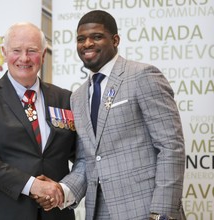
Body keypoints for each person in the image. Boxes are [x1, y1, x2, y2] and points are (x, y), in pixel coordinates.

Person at [38, 10, 186, 220]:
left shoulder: (142, 76)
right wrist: (62, 190)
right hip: (98, 213)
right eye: (81, 39)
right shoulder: (78, 97)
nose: (87, 43)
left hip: (145, 211)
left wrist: (162, 213)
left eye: (96, 36)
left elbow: (171, 147)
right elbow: (86, 160)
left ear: (115, 40)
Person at [0, 22, 76, 220]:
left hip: (56, 214)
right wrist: (33, 185)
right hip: (1, 212)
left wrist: (64, 190)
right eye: (16, 50)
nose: (24, 58)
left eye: (32, 51)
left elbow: (82, 155)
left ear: (42, 55)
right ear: (4, 52)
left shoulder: (65, 99)